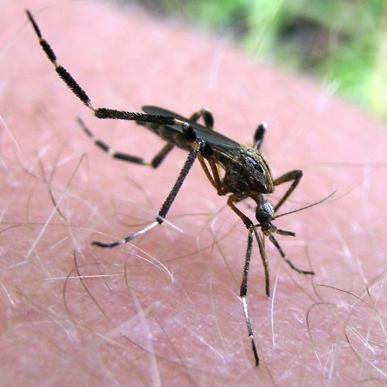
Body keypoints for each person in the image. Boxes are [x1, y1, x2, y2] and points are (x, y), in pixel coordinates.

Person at [2, 0, 386, 384]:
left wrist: (267, 220)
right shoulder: (248, 188)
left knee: (212, 140)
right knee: (190, 137)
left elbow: (281, 186)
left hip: (222, 157)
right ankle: (151, 206)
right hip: (194, 139)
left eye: (266, 214)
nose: (263, 218)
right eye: (265, 214)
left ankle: (154, 163)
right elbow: (233, 169)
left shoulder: (262, 191)